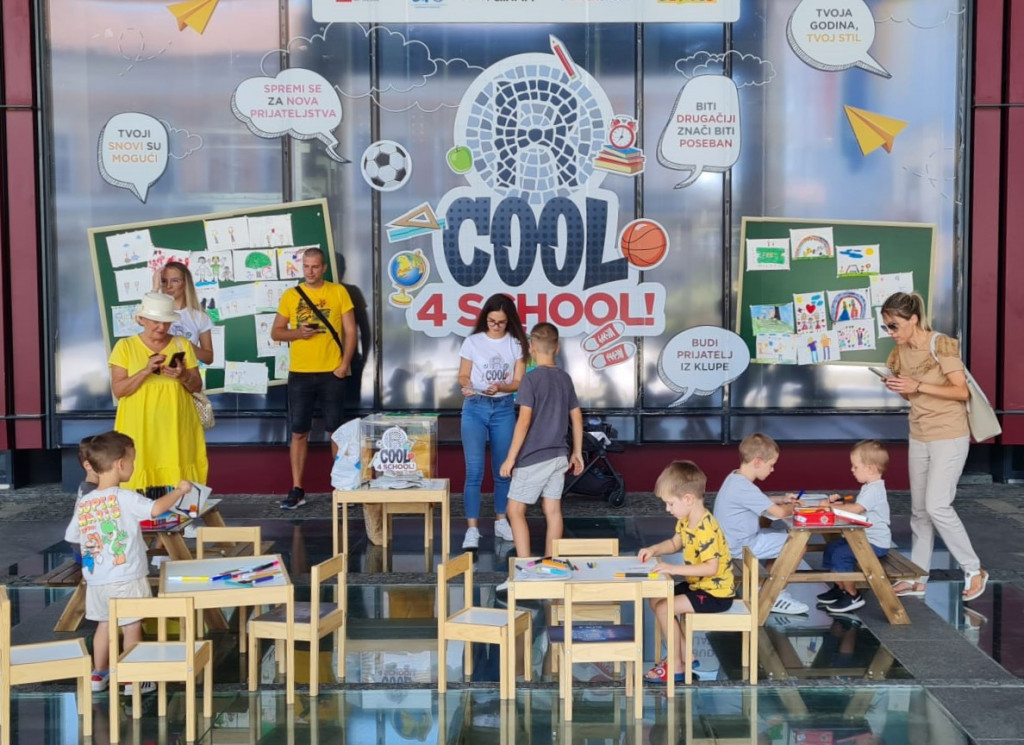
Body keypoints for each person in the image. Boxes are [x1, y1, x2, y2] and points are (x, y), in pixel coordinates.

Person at [880, 291, 989, 601]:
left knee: (937, 506)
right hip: (919, 434)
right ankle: (917, 577)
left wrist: (917, 384)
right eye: (887, 326)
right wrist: (900, 387)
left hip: (949, 435)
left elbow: (961, 391)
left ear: (913, 319)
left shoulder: (940, 344)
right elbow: (913, 396)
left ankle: (974, 569)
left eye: (894, 325)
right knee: (919, 512)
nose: (891, 332)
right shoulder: (900, 352)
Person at [64, 430, 192, 694]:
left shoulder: (86, 501)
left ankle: (98, 675)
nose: (133, 466)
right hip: (127, 577)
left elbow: (73, 535)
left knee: (104, 624)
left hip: (96, 580)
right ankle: (133, 680)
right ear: (120, 464)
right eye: (133, 460)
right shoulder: (124, 497)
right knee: (131, 625)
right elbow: (155, 509)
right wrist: (180, 490)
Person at [271, 247, 356, 510]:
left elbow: (351, 331)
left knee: (336, 431)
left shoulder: (338, 292)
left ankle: (341, 487)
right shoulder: (291, 295)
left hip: (332, 372)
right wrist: (298, 333)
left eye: (315, 266)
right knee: (298, 432)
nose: (310, 271)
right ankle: (297, 489)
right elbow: (276, 332)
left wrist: (344, 365)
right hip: (300, 373)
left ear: (324, 268)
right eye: (306, 266)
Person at [638, 460, 735, 684]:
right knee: (656, 599)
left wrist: (673, 569)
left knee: (664, 608)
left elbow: (711, 568)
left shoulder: (706, 528)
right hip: (698, 586)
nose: (667, 509)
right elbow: (675, 543)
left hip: (715, 594)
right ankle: (686, 655)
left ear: (688, 499)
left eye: (670, 503)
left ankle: (676, 666)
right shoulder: (686, 520)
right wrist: (654, 549)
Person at [499, 323, 583, 571]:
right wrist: (577, 452)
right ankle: (550, 565)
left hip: (534, 457)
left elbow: (524, 421)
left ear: (532, 349)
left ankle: (525, 568)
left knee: (514, 510)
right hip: (559, 455)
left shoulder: (530, 379)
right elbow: (577, 417)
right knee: (552, 509)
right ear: (557, 348)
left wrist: (510, 458)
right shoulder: (564, 378)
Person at [109, 292, 207, 495]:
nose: (161, 327)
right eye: (155, 321)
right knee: (139, 470)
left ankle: (181, 513)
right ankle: (139, 514)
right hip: (139, 427)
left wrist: (183, 376)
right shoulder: (125, 347)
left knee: (179, 471)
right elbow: (119, 391)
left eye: (166, 322)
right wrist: (145, 371)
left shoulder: (182, 344)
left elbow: (196, 386)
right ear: (141, 319)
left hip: (176, 426)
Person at [458, 294, 530, 549]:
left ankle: (501, 520)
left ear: (509, 321)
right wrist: (467, 386)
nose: (496, 326)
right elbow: (463, 375)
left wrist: (501, 387)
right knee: (474, 471)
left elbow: (519, 382)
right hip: (475, 407)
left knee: (503, 470)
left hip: (503, 407)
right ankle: (472, 528)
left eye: (501, 322)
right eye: (491, 321)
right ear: (484, 318)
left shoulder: (516, 344)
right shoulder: (473, 341)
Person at [711, 432, 809, 615]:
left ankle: (764, 588)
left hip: (734, 543)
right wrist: (793, 506)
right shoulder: (744, 486)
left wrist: (782, 499)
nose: (772, 470)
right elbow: (780, 513)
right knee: (797, 544)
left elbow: (757, 500)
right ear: (757, 462)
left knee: (782, 537)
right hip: (740, 547)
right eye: (771, 465)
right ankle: (774, 594)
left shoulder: (734, 478)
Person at [816, 439, 892, 613]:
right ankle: (840, 587)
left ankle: (852, 595)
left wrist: (831, 507)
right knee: (832, 547)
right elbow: (858, 509)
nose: (852, 469)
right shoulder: (869, 487)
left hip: (874, 543)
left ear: (870, 468)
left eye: (855, 466)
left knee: (841, 554)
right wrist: (840, 504)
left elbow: (857, 509)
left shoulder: (875, 490)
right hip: (861, 538)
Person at [158, 261, 214, 365]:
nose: (169, 286)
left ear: (185, 283)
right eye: (164, 281)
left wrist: (188, 346)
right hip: (158, 373)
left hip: (188, 373)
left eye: (175, 280)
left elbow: (209, 358)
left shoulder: (200, 317)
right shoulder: (155, 314)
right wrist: (155, 288)